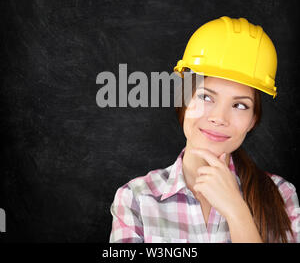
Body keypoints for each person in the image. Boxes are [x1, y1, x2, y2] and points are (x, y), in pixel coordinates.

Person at [109, 16, 300, 243]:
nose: (219, 118)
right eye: (206, 97)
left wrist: (236, 211)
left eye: (240, 105)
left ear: (252, 120)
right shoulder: (136, 198)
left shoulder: (281, 195)